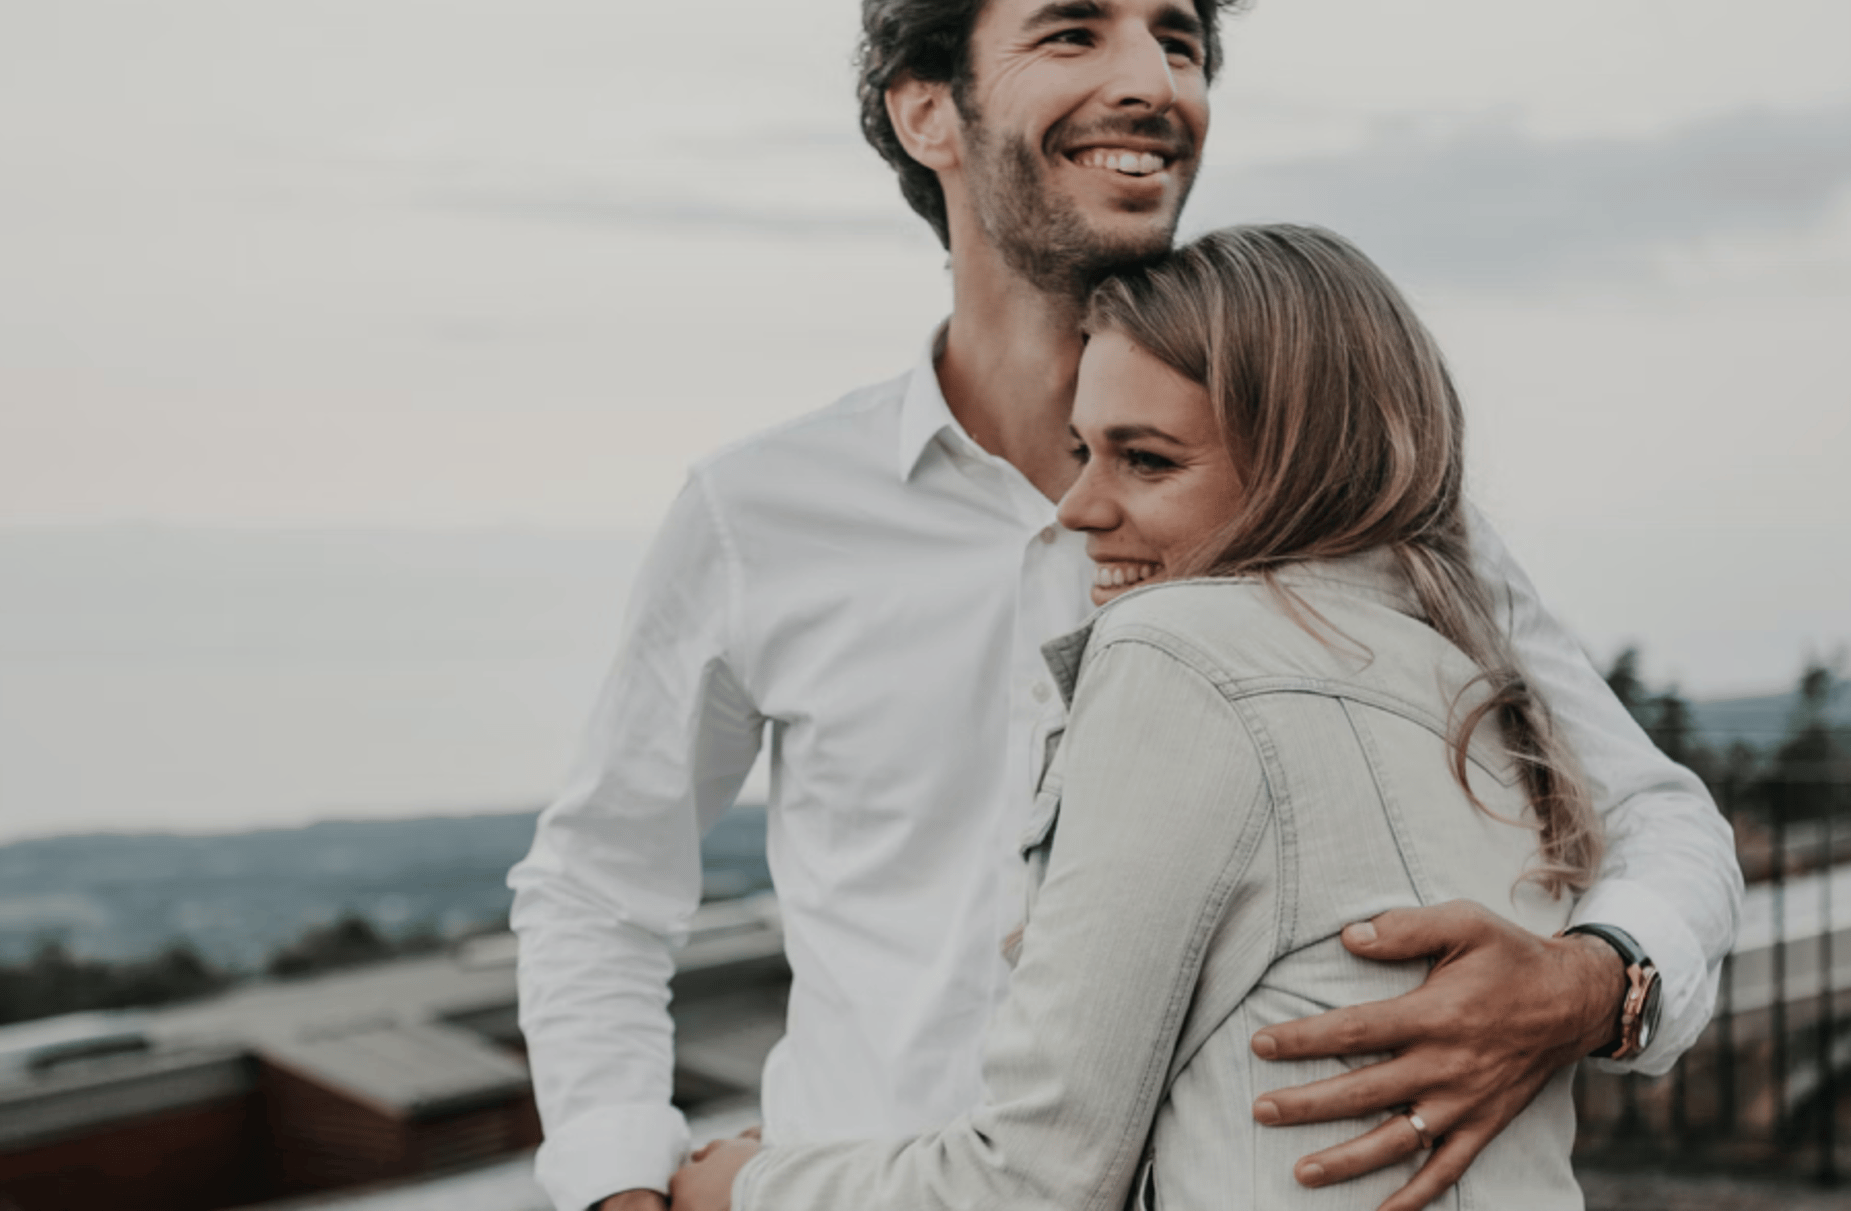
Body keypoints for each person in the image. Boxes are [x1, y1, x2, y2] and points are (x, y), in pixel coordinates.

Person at [509, 0, 1741, 1211]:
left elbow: (1654, 813)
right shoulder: (759, 513)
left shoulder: (1344, 488)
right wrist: (620, 1181)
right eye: (1073, 32)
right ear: (929, 111)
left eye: (1181, 41)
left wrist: (1592, 981)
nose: (1154, 84)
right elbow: (598, 890)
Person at [670, 224, 1607, 1211]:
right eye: (1085, 450)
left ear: (1305, 463)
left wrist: (743, 1187)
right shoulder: (1476, 679)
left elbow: (1032, 1183)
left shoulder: (1179, 654)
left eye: (1146, 461)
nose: (1077, 507)